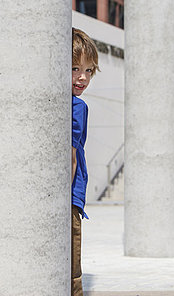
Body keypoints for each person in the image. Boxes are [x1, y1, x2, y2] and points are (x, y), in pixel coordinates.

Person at [71, 28, 99, 296]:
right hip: (69, 198)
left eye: (89, 70)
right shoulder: (77, 107)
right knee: (72, 274)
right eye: (75, 68)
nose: (83, 77)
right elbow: (71, 157)